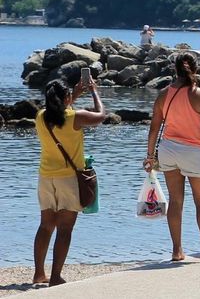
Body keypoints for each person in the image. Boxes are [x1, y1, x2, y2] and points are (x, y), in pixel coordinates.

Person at [144, 53, 200, 263]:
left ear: (175, 70)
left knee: (175, 201)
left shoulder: (163, 94)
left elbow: (154, 128)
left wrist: (150, 156)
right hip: (194, 152)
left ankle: (177, 251)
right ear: (194, 70)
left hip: (168, 150)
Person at [33, 76, 106, 286]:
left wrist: (73, 95)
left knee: (45, 225)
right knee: (65, 229)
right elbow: (100, 115)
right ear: (66, 98)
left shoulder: (40, 116)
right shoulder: (75, 118)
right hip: (68, 180)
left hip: (46, 177)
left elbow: (59, 112)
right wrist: (93, 91)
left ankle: (39, 273)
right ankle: (55, 276)